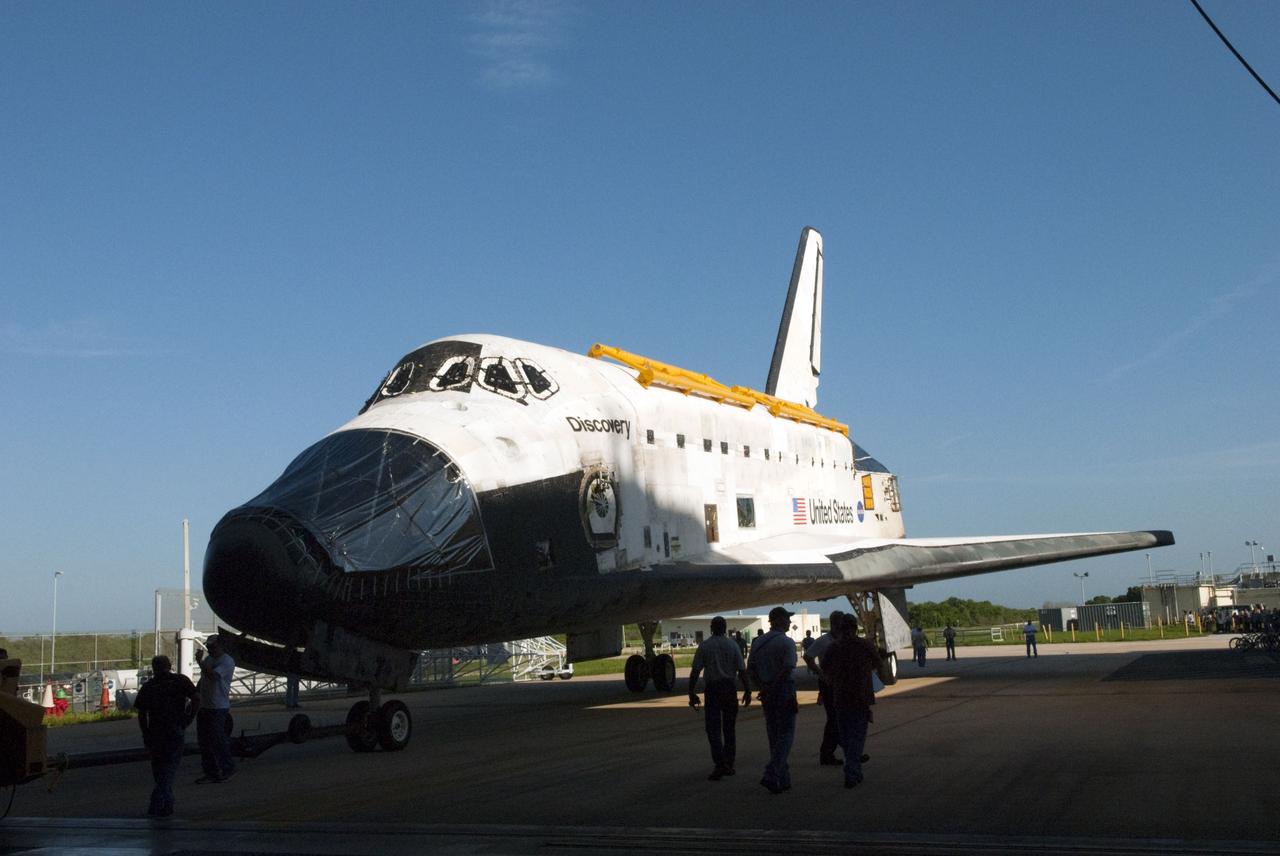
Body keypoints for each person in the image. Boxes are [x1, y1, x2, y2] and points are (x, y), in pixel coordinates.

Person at [819, 613, 882, 789]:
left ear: (840, 628)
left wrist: (834, 678)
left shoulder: (834, 647)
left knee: (846, 736)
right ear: (855, 628)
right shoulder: (864, 645)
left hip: (840, 696)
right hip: (861, 696)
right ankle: (852, 771)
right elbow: (878, 663)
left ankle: (852, 768)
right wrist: (864, 671)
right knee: (858, 735)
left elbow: (824, 668)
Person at [687, 616, 752, 781]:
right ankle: (729, 764)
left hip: (713, 690)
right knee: (729, 728)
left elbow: (695, 670)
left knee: (713, 729)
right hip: (729, 688)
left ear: (711, 628)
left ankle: (719, 763)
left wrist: (691, 692)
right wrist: (748, 690)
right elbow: (742, 669)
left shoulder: (705, 646)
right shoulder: (733, 645)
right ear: (725, 628)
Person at [135, 655, 199, 817]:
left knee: (159, 769)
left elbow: (142, 714)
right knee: (169, 767)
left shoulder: (149, 686)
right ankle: (163, 801)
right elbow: (196, 698)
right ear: (169, 666)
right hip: (175, 728)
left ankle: (162, 802)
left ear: (154, 668)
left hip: (156, 731)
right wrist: (189, 718)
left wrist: (146, 734)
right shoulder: (180, 681)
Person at [748, 606, 798, 794]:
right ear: (778, 621)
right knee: (786, 735)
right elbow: (787, 669)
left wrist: (762, 687)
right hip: (783, 690)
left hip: (767, 693)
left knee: (774, 735)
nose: (790, 622)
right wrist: (773, 686)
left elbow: (750, 669)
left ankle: (782, 779)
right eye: (787, 619)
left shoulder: (758, 642)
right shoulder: (786, 643)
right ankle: (772, 772)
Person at [802, 610, 845, 767]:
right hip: (828, 684)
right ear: (834, 624)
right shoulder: (823, 641)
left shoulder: (843, 639)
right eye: (840, 624)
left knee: (838, 719)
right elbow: (807, 656)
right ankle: (830, 753)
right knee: (834, 719)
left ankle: (837, 751)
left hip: (841, 683)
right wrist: (820, 673)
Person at [195, 635, 236, 783]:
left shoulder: (227, 661)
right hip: (205, 706)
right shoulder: (209, 660)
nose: (210, 650)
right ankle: (211, 771)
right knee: (204, 742)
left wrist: (199, 662)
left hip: (218, 707)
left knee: (218, 740)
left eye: (213, 647)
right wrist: (196, 692)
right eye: (209, 647)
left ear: (221, 646)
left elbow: (213, 676)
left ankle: (227, 768)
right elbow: (204, 678)